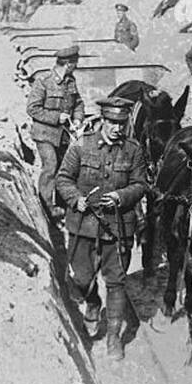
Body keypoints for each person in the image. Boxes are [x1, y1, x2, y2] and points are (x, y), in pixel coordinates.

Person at [55, 96, 148, 360]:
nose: (117, 128)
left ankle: (113, 338)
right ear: (103, 121)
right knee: (81, 280)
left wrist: (122, 196)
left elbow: (141, 184)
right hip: (83, 226)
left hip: (119, 228)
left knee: (117, 283)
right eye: (113, 122)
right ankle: (93, 302)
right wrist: (76, 198)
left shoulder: (133, 150)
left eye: (122, 122)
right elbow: (63, 179)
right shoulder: (81, 147)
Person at [26, 44, 85, 218]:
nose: (76, 66)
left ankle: (63, 205)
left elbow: (78, 103)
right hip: (44, 134)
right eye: (75, 63)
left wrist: (77, 118)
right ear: (68, 64)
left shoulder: (70, 81)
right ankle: (46, 208)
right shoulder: (43, 81)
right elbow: (32, 108)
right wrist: (56, 117)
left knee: (65, 169)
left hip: (63, 136)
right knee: (50, 166)